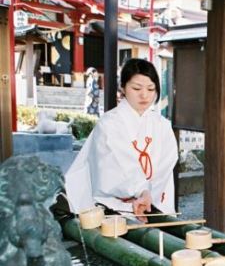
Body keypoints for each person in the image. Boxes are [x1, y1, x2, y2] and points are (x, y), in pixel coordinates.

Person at [65, 59, 178, 219]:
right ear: (123, 88)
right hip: (113, 208)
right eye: (136, 88)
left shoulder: (163, 126)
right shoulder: (109, 124)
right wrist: (141, 191)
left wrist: (148, 195)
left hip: (151, 204)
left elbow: (165, 168)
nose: (144, 94)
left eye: (151, 88)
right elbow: (115, 165)